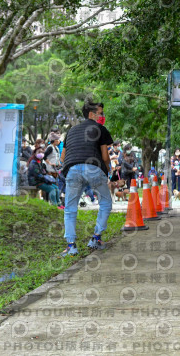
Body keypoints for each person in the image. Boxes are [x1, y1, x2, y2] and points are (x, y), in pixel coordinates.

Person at [59, 101, 113, 257]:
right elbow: (104, 156)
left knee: (70, 209)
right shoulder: (100, 129)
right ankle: (96, 238)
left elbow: (63, 157)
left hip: (72, 169)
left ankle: (71, 246)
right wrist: (107, 170)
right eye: (100, 113)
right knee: (105, 202)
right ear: (92, 114)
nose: (102, 116)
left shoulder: (71, 131)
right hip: (94, 168)